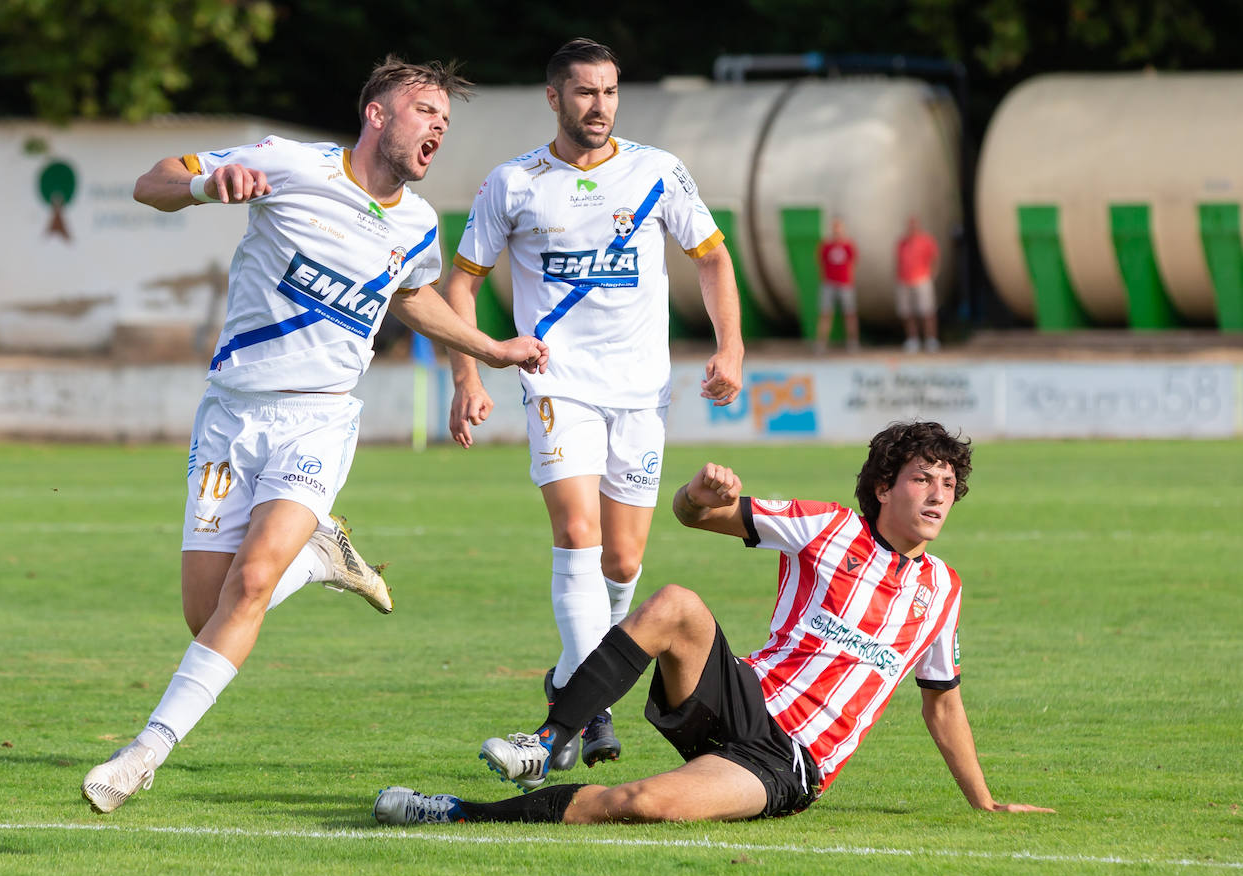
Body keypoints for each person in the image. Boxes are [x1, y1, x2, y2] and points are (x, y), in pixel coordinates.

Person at [80, 57, 549, 814]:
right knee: (212, 614)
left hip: (320, 416)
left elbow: (414, 296)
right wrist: (206, 185)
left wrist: (486, 353)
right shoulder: (287, 163)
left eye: (446, 120)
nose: (438, 127)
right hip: (230, 416)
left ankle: (143, 753)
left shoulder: (417, 222)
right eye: (425, 110)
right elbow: (154, 180)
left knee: (254, 581)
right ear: (376, 115)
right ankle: (323, 556)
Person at [373, 421, 1055, 825]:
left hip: (787, 761)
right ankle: (550, 738)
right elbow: (694, 517)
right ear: (884, 488)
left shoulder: (942, 590)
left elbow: (945, 706)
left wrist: (985, 803)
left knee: (640, 804)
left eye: (946, 484)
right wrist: (696, 496)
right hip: (741, 695)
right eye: (920, 479)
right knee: (675, 602)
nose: (937, 494)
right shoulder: (829, 528)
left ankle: (454, 812)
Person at [442, 38, 744, 771]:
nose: (599, 106)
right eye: (584, 92)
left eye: (609, 91)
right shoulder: (513, 184)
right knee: (576, 530)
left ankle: (566, 680)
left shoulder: (658, 172)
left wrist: (730, 345)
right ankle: (592, 705)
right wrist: (470, 374)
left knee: (623, 557)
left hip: (640, 390)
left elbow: (711, 256)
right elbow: (460, 284)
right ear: (554, 98)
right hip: (556, 383)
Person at [895, 215, 941, 353]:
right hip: (904, 281)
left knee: (927, 311)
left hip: (922, 279)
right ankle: (913, 340)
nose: (912, 228)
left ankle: (931, 339)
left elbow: (935, 258)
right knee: (908, 313)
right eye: (910, 225)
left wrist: (932, 275)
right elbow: (898, 261)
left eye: (914, 225)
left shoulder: (926, 241)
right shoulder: (902, 242)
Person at [815, 217, 860, 353]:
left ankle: (853, 342)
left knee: (850, 314)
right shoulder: (826, 246)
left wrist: (848, 278)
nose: (837, 232)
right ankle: (821, 344)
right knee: (825, 313)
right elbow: (820, 261)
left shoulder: (848, 245)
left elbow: (853, 262)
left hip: (845, 284)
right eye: (835, 228)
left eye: (839, 228)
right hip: (829, 284)